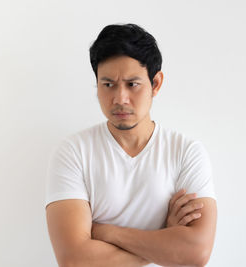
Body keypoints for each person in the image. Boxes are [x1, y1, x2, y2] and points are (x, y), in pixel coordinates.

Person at [45, 23, 218, 267]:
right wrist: (164, 240)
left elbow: (196, 253)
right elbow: (74, 260)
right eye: (108, 85)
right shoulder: (74, 152)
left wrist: (107, 232)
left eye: (132, 84)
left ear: (155, 84)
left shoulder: (186, 152)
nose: (119, 98)